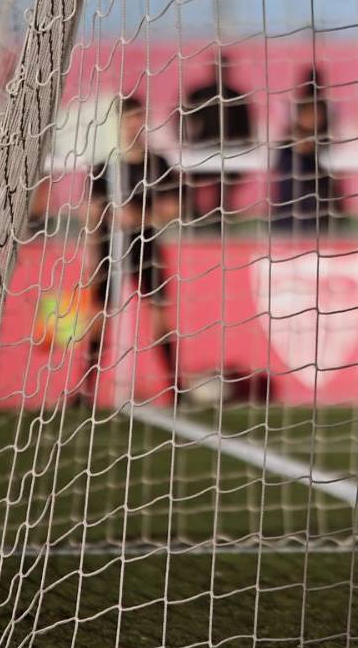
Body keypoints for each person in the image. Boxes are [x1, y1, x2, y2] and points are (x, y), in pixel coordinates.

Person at [85, 95, 181, 398]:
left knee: (160, 315)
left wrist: (139, 217)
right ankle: (86, 390)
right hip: (109, 248)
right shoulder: (104, 165)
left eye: (138, 118)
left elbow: (175, 207)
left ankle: (175, 387)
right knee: (100, 315)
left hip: (146, 245)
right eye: (128, 118)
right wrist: (94, 245)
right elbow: (91, 212)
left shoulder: (158, 163)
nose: (133, 124)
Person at [182, 54, 253, 224]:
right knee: (190, 180)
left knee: (225, 182)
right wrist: (187, 139)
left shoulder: (237, 95)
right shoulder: (198, 93)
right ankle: (192, 211)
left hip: (229, 150)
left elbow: (246, 128)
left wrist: (244, 148)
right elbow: (181, 117)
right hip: (202, 149)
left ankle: (221, 212)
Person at [272, 69, 337, 234]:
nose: (314, 117)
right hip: (290, 213)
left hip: (311, 209)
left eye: (316, 114)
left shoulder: (321, 144)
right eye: (309, 113)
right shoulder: (288, 150)